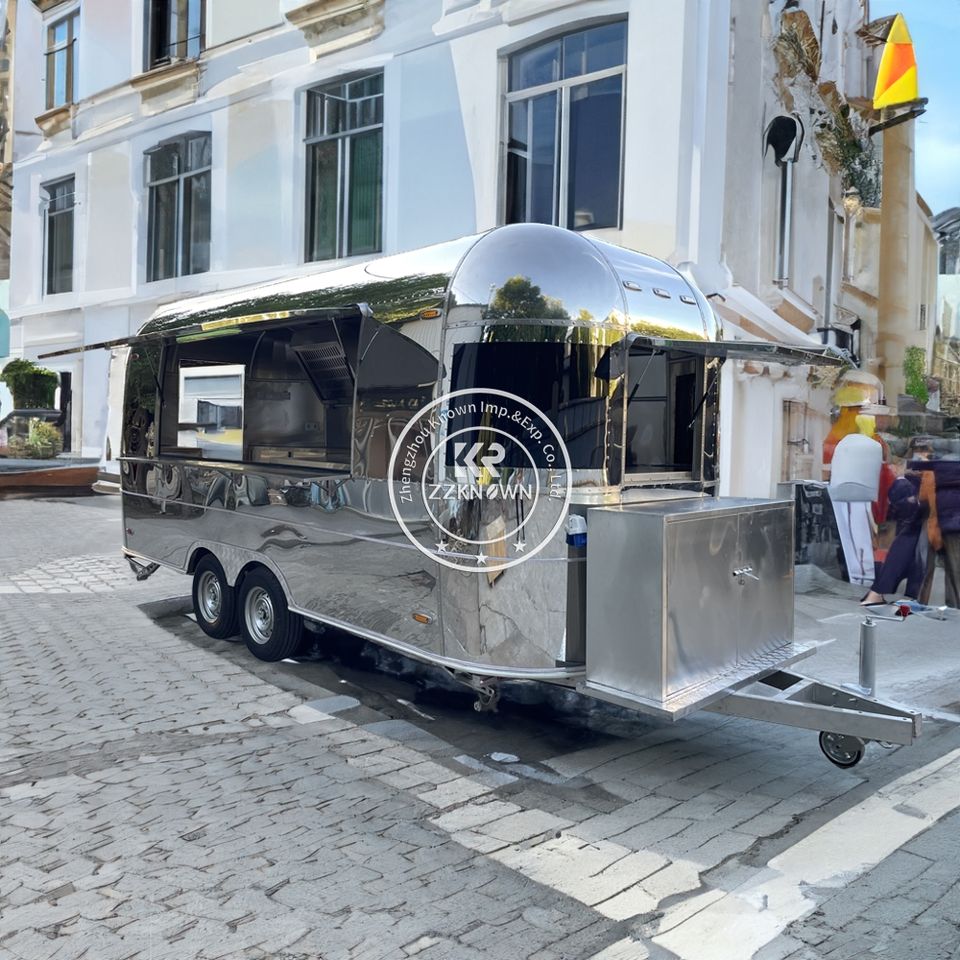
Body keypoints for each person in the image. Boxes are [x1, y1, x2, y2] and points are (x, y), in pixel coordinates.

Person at [860, 439, 931, 605]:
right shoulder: (907, 480)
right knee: (910, 540)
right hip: (916, 511)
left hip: (917, 510)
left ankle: (904, 593)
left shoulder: (909, 476)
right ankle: (882, 592)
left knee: (913, 544)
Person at [918, 449, 960, 609]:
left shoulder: (931, 473)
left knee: (927, 569)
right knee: (955, 569)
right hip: (953, 527)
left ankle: (922, 602)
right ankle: (954, 606)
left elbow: (923, 497)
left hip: (935, 525)